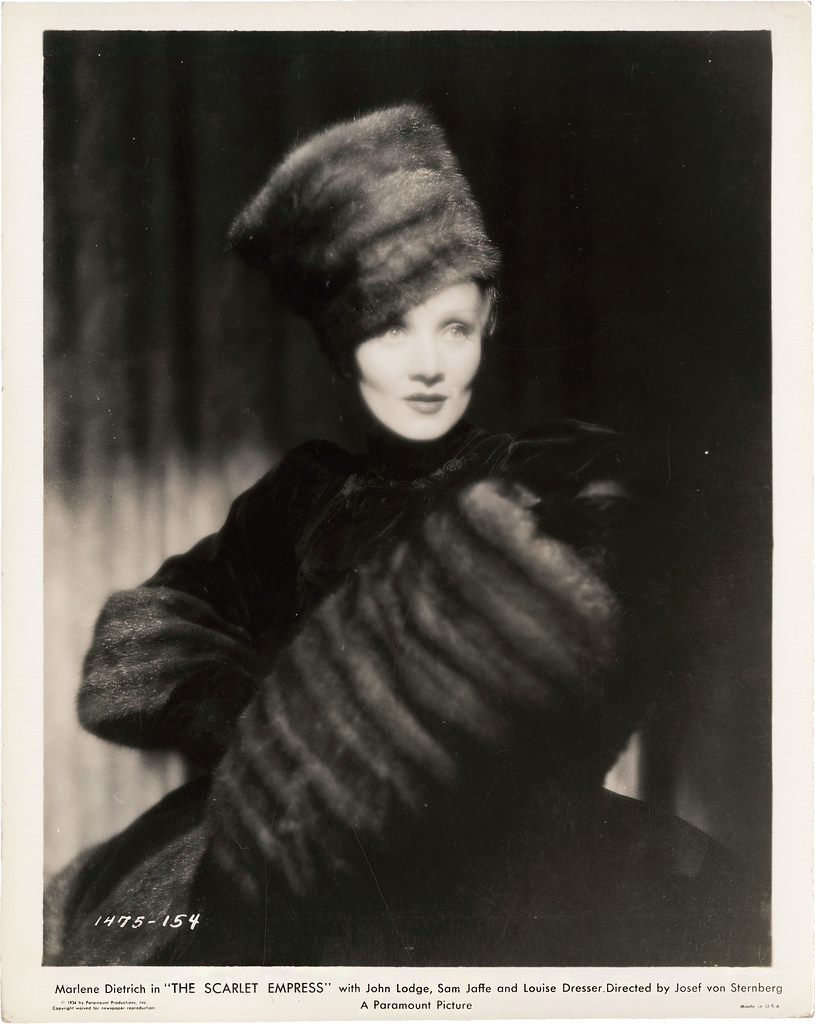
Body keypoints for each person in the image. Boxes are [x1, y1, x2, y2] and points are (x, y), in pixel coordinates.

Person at [44, 104, 767, 967]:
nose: (428, 365)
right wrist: (259, 727)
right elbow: (139, 649)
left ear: (488, 321)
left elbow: (579, 664)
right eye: (390, 328)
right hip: (296, 859)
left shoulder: (551, 476)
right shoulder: (301, 497)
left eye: (451, 327)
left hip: (506, 861)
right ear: (339, 345)